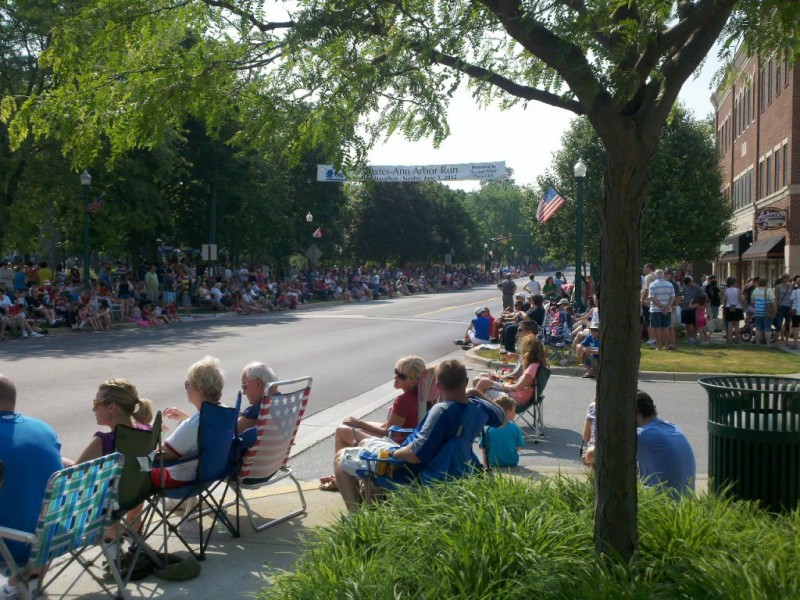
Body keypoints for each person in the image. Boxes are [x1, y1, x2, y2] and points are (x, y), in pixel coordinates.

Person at [333, 359, 504, 511]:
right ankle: (373, 508)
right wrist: (475, 392)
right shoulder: (478, 408)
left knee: (343, 456)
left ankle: (355, 518)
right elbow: (502, 418)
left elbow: (414, 454)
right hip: (457, 469)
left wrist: (392, 455)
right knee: (364, 445)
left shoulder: (441, 411)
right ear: (465, 381)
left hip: (418, 475)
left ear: (437, 385)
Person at [321, 356, 427, 491]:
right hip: (408, 440)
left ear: (414, 381)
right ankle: (342, 477)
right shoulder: (423, 396)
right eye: (396, 372)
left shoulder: (403, 401)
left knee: (341, 431)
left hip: (395, 444)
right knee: (354, 426)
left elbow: (386, 431)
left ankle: (340, 478)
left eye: (401, 376)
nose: (396, 377)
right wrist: (360, 424)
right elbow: (388, 426)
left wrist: (359, 424)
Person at [0, 374, 63, 599]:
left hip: (12, 544)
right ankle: (30, 580)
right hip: (53, 539)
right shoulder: (43, 429)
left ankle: (18, 582)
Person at [150, 356, 226, 488]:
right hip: (208, 477)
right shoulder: (224, 412)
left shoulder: (193, 424)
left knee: (129, 468)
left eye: (187, 384)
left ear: (200, 388)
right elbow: (200, 435)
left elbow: (163, 456)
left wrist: (150, 433)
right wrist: (186, 419)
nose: (186, 389)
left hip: (179, 481)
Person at [67, 379, 154, 466]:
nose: (93, 409)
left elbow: (72, 476)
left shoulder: (103, 442)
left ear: (111, 408)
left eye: (96, 403)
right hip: (141, 479)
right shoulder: (148, 431)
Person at [636, 390, 696, 498]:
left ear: (636, 413)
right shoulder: (673, 427)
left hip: (661, 508)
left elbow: (597, 455)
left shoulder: (641, 435)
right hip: (685, 506)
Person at [473, 335, 546, 404]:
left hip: (515, 399)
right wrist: (501, 381)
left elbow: (518, 387)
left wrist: (502, 386)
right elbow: (520, 382)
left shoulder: (532, 368)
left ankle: (478, 411)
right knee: (483, 380)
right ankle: (483, 409)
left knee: (483, 382)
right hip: (518, 395)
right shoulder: (536, 365)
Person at [479, 396, 524, 468]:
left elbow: (483, 447)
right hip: (511, 463)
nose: (515, 413)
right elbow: (518, 447)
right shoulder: (515, 428)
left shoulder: (488, 428)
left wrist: (486, 464)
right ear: (508, 412)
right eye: (514, 411)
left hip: (492, 463)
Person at [648, 269, 674, 351]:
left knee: (657, 328)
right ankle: (667, 346)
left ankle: (659, 346)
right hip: (667, 309)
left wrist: (661, 306)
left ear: (656, 275)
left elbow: (652, 297)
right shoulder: (669, 284)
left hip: (655, 309)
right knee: (666, 328)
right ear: (663, 275)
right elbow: (673, 297)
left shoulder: (652, 284)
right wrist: (667, 307)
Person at [751, 277, 776, 346]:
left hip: (757, 312)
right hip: (766, 312)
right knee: (767, 328)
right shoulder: (769, 291)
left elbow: (752, 302)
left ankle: (757, 343)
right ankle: (768, 344)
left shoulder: (755, 290)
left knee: (758, 328)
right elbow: (773, 302)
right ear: (766, 283)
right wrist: (775, 310)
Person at [680, 276, 702, 344]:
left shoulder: (697, 288)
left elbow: (703, 296)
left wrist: (698, 304)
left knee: (694, 324)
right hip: (685, 308)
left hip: (694, 308)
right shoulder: (685, 287)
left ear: (691, 281)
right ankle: (690, 337)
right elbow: (684, 296)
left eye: (689, 283)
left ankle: (694, 338)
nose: (689, 285)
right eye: (687, 284)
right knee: (687, 323)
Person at [723, 276, 744, 343]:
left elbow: (724, 300)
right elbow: (740, 300)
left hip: (729, 307)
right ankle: (737, 338)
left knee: (730, 324)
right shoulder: (738, 290)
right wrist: (743, 300)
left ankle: (730, 339)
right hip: (737, 307)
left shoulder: (727, 290)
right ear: (735, 282)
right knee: (737, 324)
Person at [581, 400, 596, 469]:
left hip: (594, 451)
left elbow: (586, 437)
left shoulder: (594, 406)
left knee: (590, 456)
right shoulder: (630, 406)